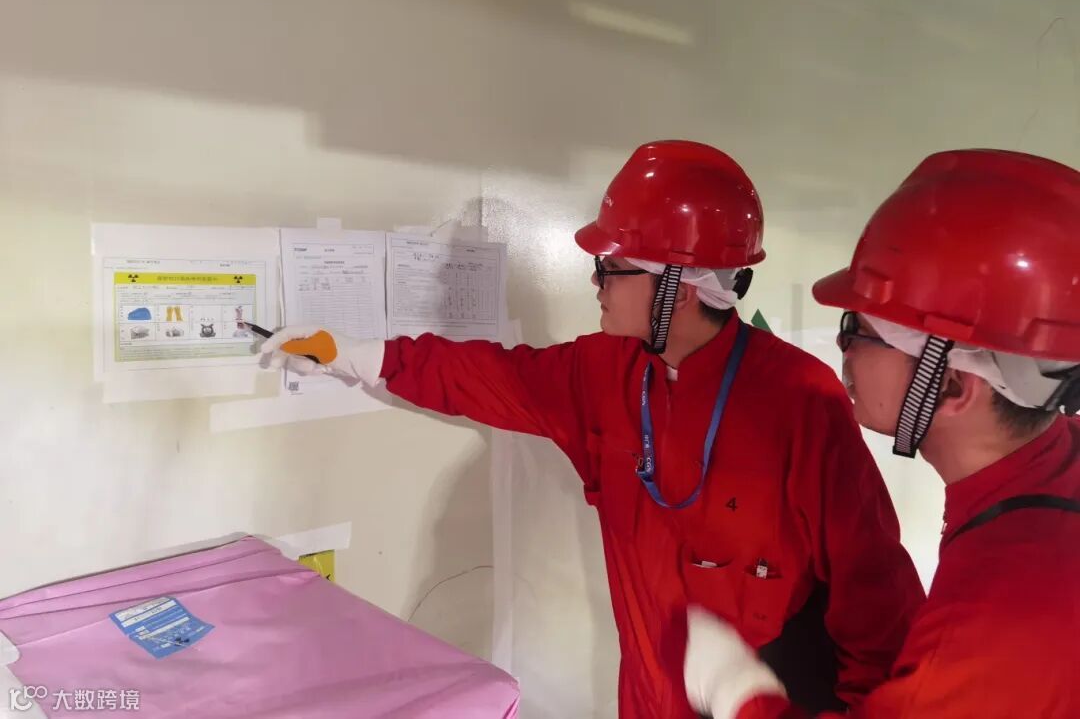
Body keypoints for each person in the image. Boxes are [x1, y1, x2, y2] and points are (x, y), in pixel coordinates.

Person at [261, 140, 924, 718]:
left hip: (758, 704)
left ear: (679, 287)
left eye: (612, 266)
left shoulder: (799, 399)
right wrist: (346, 353)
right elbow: (482, 376)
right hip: (646, 695)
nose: (596, 281)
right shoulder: (602, 372)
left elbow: (875, 595)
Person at [683, 148, 1080, 719]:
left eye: (860, 331)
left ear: (951, 385)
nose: (841, 346)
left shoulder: (996, 625)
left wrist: (737, 691)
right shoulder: (1049, 472)